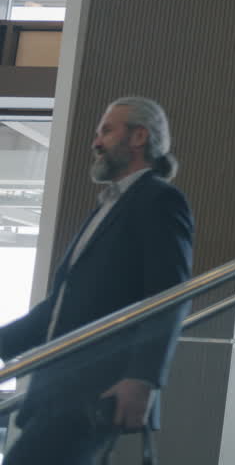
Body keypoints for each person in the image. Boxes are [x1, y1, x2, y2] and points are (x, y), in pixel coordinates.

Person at [0, 97, 194, 464]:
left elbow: (168, 296)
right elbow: (58, 310)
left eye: (106, 130)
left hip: (98, 390)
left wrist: (143, 378)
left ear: (139, 137)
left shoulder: (160, 201)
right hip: (57, 390)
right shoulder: (107, 207)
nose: (96, 142)